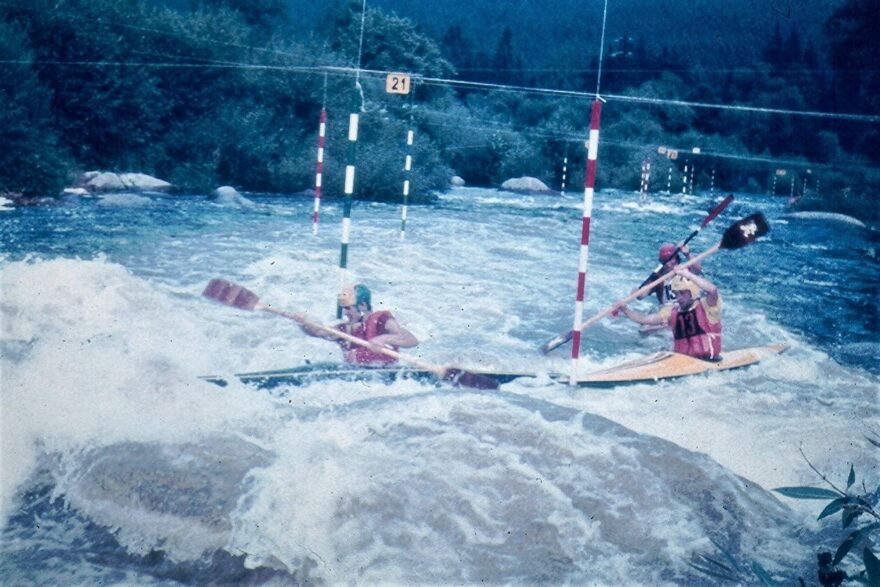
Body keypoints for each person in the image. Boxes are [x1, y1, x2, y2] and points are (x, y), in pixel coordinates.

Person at [292, 283, 418, 365]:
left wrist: (383, 338)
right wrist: (302, 323)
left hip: (384, 375)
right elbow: (319, 332)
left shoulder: (382, 320)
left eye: (348, 308)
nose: (345, 313)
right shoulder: (344, 329)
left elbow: (411, 340)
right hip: (355, 378)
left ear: (362, 305)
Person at [615, 265, 722, 360]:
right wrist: (625, 309)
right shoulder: (672, 312)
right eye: (676, 294)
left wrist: (686, 274)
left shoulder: (707, 307)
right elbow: (644, 319)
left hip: (709, 359)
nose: (678, 298)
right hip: (682, 361)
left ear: (692, 292)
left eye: (682, 293)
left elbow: (712, 290)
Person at [639, 242, 703, 305]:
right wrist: (638, 292)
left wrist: (688, 254)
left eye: (673, 258)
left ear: (677, 258)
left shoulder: (685, 269)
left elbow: (697, 269)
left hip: (690, 308)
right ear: (662, 262)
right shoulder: (658, 277)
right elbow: (640, 296)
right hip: (670, 312)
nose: (671, 263)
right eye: (667, 260)